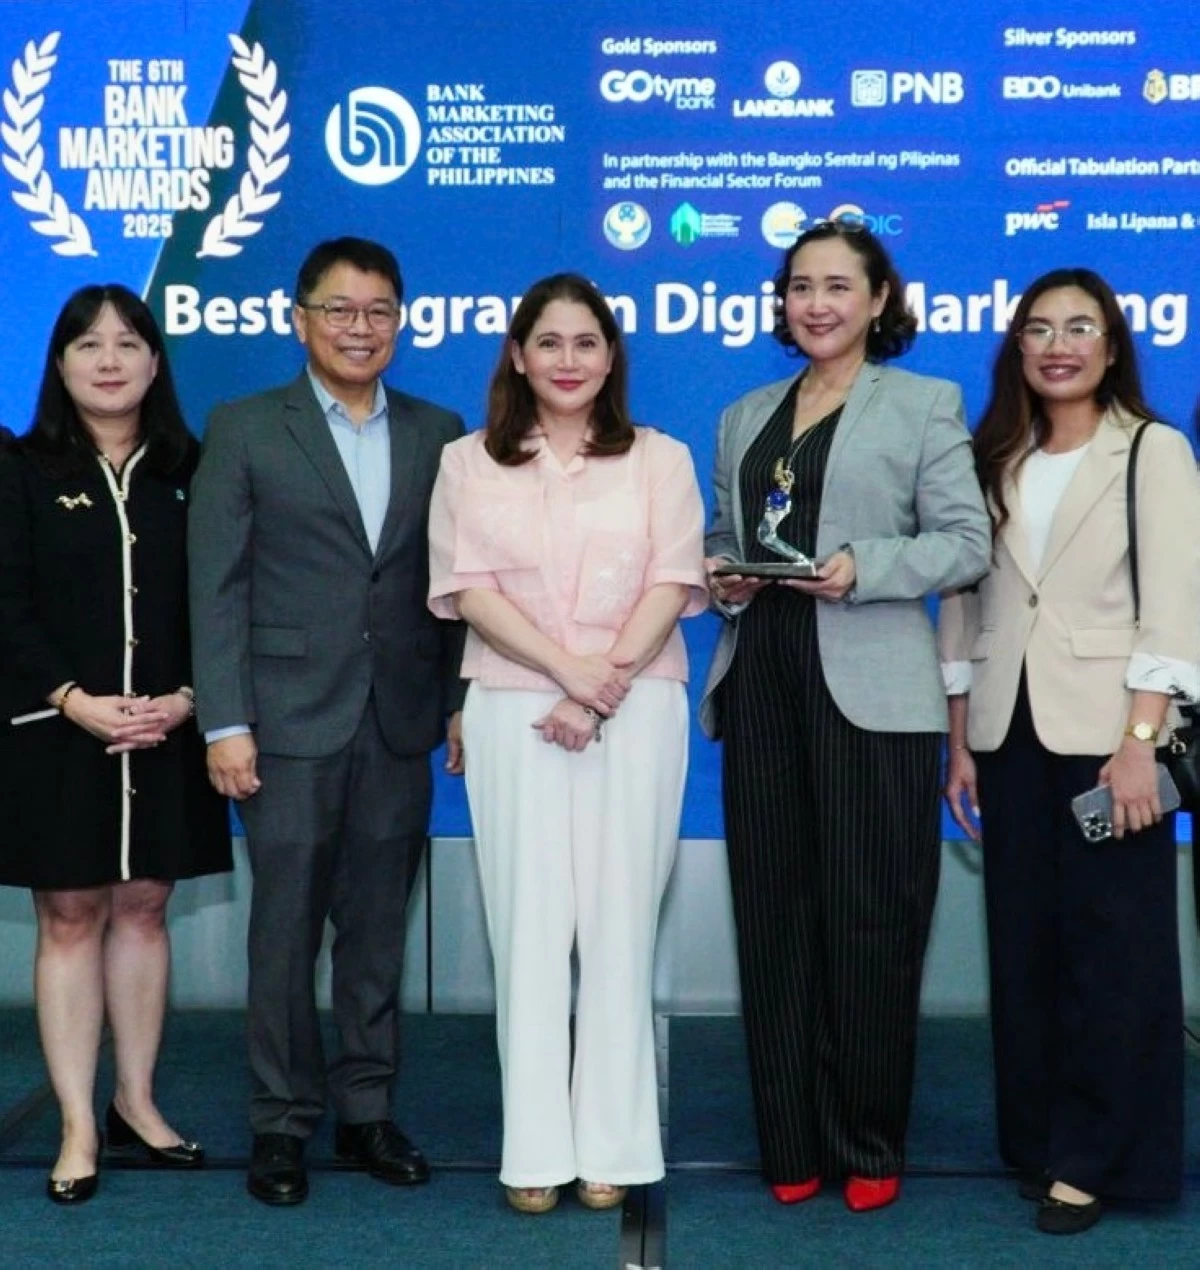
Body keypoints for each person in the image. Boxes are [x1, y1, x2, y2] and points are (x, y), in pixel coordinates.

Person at [699, 221, 991, 1213]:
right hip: (764, 669)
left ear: (877, 301)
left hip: (873, 685)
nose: (815, 302)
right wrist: (726, 581)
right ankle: (789, 1134)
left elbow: (964, 543)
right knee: (772, 911)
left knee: (871, 918)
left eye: (837, 285)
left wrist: (870, 566)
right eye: (799, 286)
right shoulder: (744, 415)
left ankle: (868, 1139)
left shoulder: (923, 404)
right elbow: (721, 535)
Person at [188, 237, 466, 1206]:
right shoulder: (246, 427)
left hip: (398, 721)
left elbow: (459, 587)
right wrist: (224, 721)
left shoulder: (441, 431)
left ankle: (366, 1111)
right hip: (285, 724)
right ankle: (280, 1122)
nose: (361, 327)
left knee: (379, 933)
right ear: (298, 318)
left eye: (380, 310)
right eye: (339, 310)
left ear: (402, 321)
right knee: (285, 933)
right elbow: (214, 588)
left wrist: (460, 704)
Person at [428, 273, 706, 1214]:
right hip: (514, 707)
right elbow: (471, 593)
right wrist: (567, 672)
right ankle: (536, 1146)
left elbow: (672, 580)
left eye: (587, 343)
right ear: (516, 354)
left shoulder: (660, 458)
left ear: (611, 356)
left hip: (636, 707)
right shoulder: (469, 461)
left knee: (623, 925)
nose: (568, 361)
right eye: (549, 343)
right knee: (531, 929)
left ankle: (616, 1146)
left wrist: (599, 687)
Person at [940, 267, 1200, 1235]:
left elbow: (1175, 608)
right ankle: (1043, 1140)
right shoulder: (993, 452)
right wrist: (962, 740)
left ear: (1112, 345)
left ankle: (1103, 1160)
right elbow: (965, 605)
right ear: (1016, 347)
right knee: (1026, 952)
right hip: (1008, 732)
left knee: (1114, 956)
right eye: (1039, 327)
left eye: (1079, 327)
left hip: (1106, 739)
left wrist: (1141, 743)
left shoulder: (1154, 451)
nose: (1058, 344)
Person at [0, 284, 232, 1204]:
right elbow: (5, 607)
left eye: (129, 343)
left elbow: (224, 601)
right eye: (88, 345)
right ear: (58, 364)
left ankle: (137, 1102)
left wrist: (186, 698)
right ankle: (76, 1125)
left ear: (155, 361)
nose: (109, 359)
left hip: (169, 725)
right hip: (58, 731)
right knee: (70, 916)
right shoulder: (20, 469)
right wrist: (72, 699)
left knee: (143, 904)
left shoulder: (195, 468)